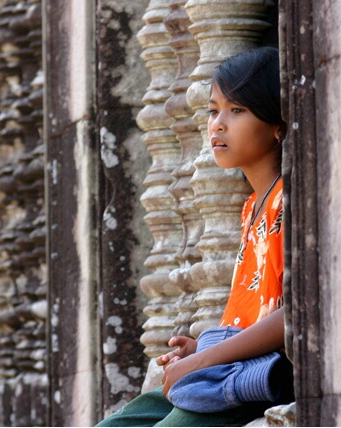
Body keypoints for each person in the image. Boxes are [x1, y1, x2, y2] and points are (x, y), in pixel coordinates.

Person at [96, 46, 294, 427]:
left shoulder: (288, 200)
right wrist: (199, 348)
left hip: (258, 379)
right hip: (224, 367)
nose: (218, 124)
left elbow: (295, 315)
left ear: (277, 125)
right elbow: (249, 315)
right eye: (213, 110)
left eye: (237, 110)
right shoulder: (253, 205)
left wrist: (204, 359)